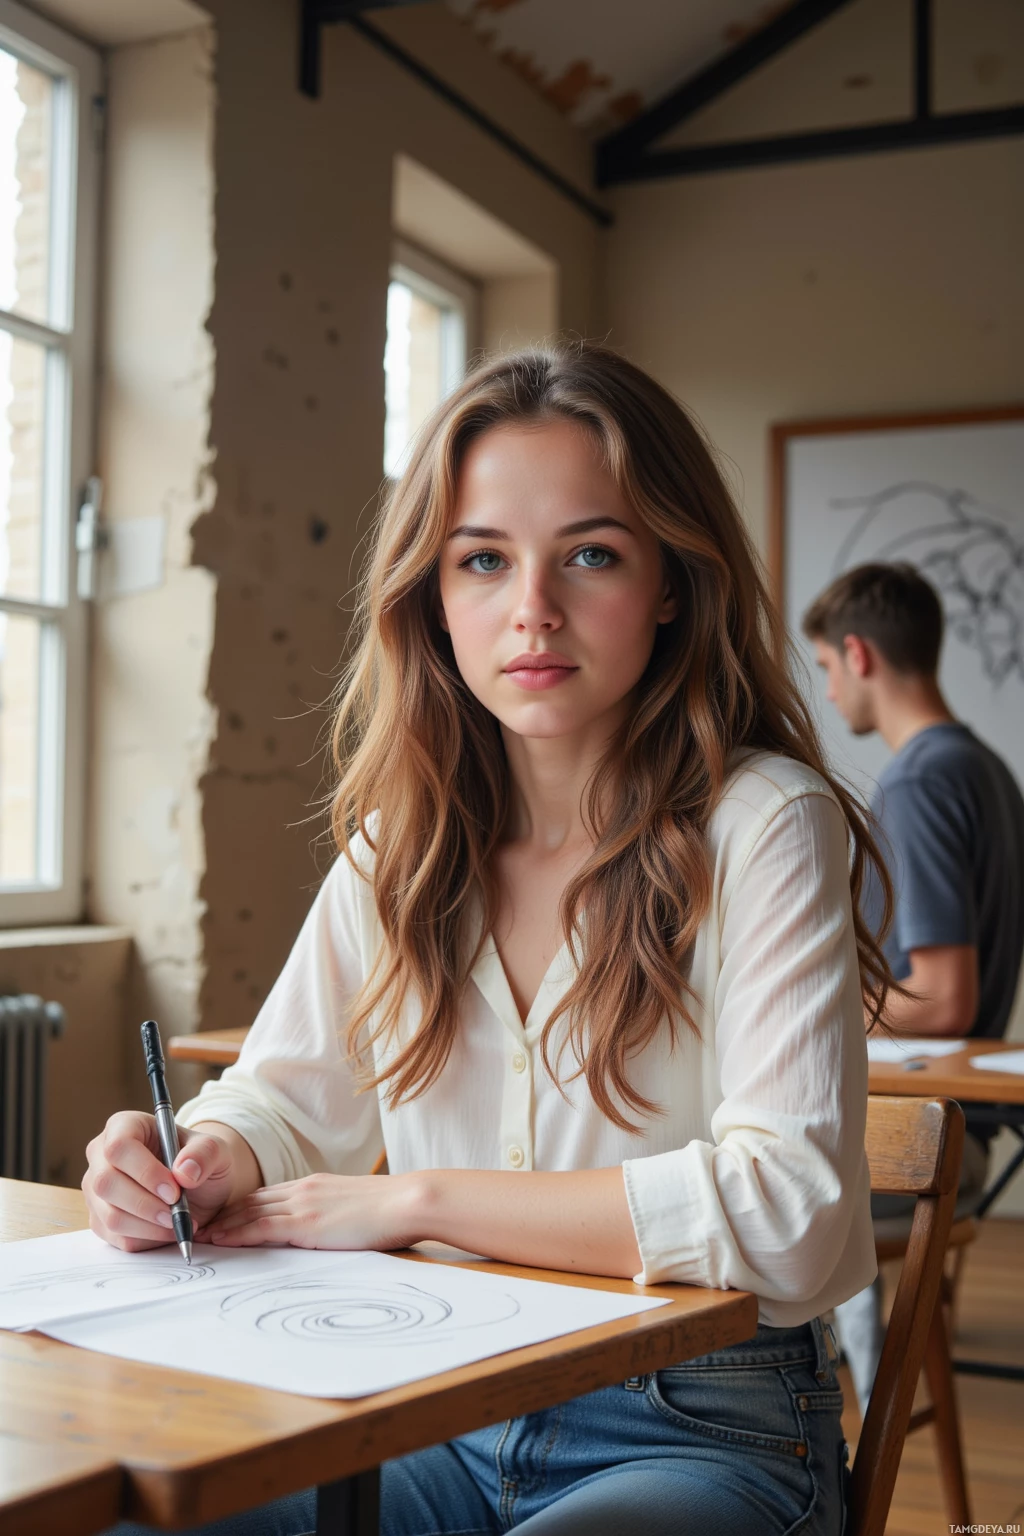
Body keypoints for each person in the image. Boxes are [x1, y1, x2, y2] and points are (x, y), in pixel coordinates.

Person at [85, 343, 893, 1536]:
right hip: (424, 1405)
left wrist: (412, 1201)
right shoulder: (400, 844)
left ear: (670, 580)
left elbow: (788, 1216)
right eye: (482, 561)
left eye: (590, 554)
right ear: (434, 594)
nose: (533, 611)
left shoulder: (764, 822)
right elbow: (284, 1100)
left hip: (697, 1427)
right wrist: (188, 1160)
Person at [802, 561, 1024, 1413]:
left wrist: (817, 1006)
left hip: (928, 1148)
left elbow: (944, 996)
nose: (826, 692)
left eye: (824, 668)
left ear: (858, 654)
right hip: (965, 1136)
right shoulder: (984, 767)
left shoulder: (920, 779)